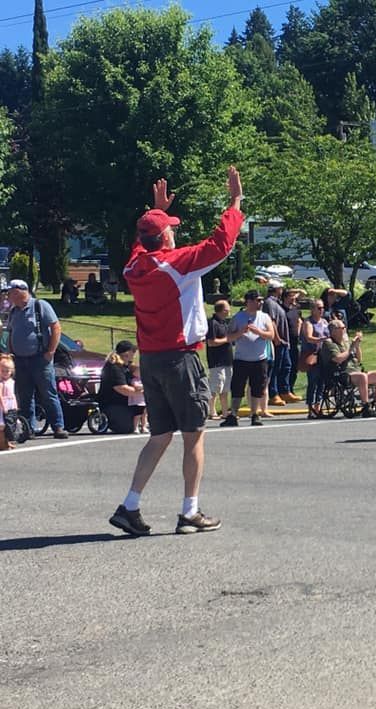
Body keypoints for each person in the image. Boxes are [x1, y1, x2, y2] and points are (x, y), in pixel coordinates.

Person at [108, 168, 243, 537]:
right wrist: (234, 203)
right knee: (194, 433)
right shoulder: (176, 264)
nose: (175, 230)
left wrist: (154, 212)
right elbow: (220, 244)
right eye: (170, 227)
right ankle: (190, 512)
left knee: (160, 435)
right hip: (181, 358)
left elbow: (141, 243)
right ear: (165, 235)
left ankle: (130, 505)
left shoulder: (134, 266)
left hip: (151, 359)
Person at [4, 278, 69, 439]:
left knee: (48, 393)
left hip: (40, 359)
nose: (7, 296)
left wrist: (51, 351)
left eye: (10, 292)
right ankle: (29, 429)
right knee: (25, 396)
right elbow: (11, 332)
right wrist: (11, 353)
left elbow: (55, 327)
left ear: (20, 291)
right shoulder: (14, 311)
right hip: (20, 360)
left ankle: (58, 427)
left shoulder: (40, 306)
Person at [220, 289, 274, 428]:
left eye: (261, 300)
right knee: (237, 388)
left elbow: (271, 335)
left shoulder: (264, 317)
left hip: (259, 359)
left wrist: (258, 332)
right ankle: (233, 415)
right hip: (242, 359)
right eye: (257, 300)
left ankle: (254, 414)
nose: (260, 303)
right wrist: (240, 332)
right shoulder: (238, 317)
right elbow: (229, 337)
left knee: (257, 388)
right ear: (249, 301)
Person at [321, 320, 376, 418]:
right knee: (362, 377)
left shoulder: (345, 342)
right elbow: (337, 359)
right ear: (334, 331)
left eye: (344, 327)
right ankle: (366, 406)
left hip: (355, 370)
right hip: (341, 373)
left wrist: (357, 345)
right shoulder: (329, 343)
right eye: (342, 328)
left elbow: (359, 359)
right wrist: (351, 348)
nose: (344, 330)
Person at [97, 340, 144, 434]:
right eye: (133, 351)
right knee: (126, 428)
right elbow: (122, 389)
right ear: (126, 353)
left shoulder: (127, 366)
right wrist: (144, 392)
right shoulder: (114, 367)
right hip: (112, 403)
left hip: (127, 402)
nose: (135, 353)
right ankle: (110, 420)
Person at [263, 279, 294, 406]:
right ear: (276, 290)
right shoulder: (269, 303)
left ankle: (285, 391)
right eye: (280, 288)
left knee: (286, 366)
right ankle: (273, 394)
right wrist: (276, 338)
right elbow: (272, 321)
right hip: (278, 341)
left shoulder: (277, 303)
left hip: (284, 341)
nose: (282, 290)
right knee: (276, 368)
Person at [302, 297, 330, 417]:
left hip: (323, 355)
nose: (322, 310)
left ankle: (318, 407)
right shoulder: (308, 322)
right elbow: (309, 337)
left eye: (323, 308)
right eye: (319, 308)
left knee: (321, 382)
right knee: (313, 381)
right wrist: (321, 339)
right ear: (312, 309)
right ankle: (310, 408)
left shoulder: (324, 322)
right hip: (312, 355)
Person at [205, 299, 233, 420]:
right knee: (215, 387)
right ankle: (211, 411)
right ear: (222, 310)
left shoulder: (224, 323)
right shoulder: (212, 323)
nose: (229, 311)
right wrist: (227, 339)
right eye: (227, 309)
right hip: (217, 361)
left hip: (227, 360)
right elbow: (211, 342)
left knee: (225, 388)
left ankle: (225, 412)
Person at [283, 288, 304, 398]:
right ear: (285, 297)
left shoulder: (296, 309)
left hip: (296, 341)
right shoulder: (282, 310)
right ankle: (285, 390)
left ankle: (291, 388)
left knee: (294, 367)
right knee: (287, 367)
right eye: (291, 296)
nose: (293, 298)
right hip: (286, 341)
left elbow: (303, 293)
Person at [0, 354, 17, 450]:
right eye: (2, 371)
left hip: (10, 405)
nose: (5, 373)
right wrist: (3, 407)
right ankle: (2, 444)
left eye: (7, 371)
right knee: (2, 426)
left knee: (10, 424)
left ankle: (7, 442)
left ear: (12, 371)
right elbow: (0, 396)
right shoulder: (1, 383)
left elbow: (13, 394)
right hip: (3, 406)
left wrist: (15, 404)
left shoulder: (11, 382)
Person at [129, 363, 148, 433]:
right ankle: (135, 428)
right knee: (137, 415)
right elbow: (137, 386)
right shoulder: (134, 380)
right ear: (134, 373)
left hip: (144, 400)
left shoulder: (144, 379)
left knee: (145, 415)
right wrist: (144, 386)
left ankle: (144, 427)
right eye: (138, 371)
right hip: (138, 402)